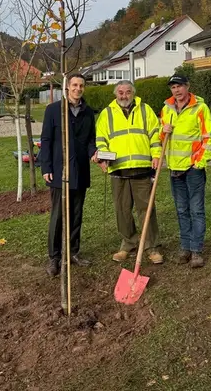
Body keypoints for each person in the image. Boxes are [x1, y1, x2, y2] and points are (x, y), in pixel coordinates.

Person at [96, 80, 164, 265]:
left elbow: (155, 135)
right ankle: (128, 243)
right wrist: (103, 158)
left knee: (146, 208)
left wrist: (156, 155)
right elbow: (101, 139)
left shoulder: (145, 110)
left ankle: (152, 247)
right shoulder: (107, 113)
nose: (124, 95)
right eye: (120, 92)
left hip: (142, 168)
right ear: (115, 94)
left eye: (127, 92)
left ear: (133, 93)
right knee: (122, 209)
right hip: (118, 169)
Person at [40, 73, 97, 277]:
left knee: (76, 214)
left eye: (81, 85)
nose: (77, 89)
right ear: (67, 88)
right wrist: (46, 167)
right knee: (58, 216)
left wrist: (94, 153)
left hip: (80, 170)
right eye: (74, 85)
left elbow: (91, 139)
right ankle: (54, 257)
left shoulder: (88, 112)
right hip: (58, 170)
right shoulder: (54, 110)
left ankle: (73, 252)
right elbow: (45, 140)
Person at [160, 74, 211, 268]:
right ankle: (184, 247)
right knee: (181, 210)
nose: (176, 91)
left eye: (179, 86)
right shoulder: (166, 109)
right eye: (173, 87)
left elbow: (209, 138)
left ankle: (196, 251)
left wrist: (199, 163)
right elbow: (161, 138)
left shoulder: (199, 108)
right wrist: (163, 131)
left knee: (196, 210)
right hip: (174, 168)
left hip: (193, 169)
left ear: (187, 87)